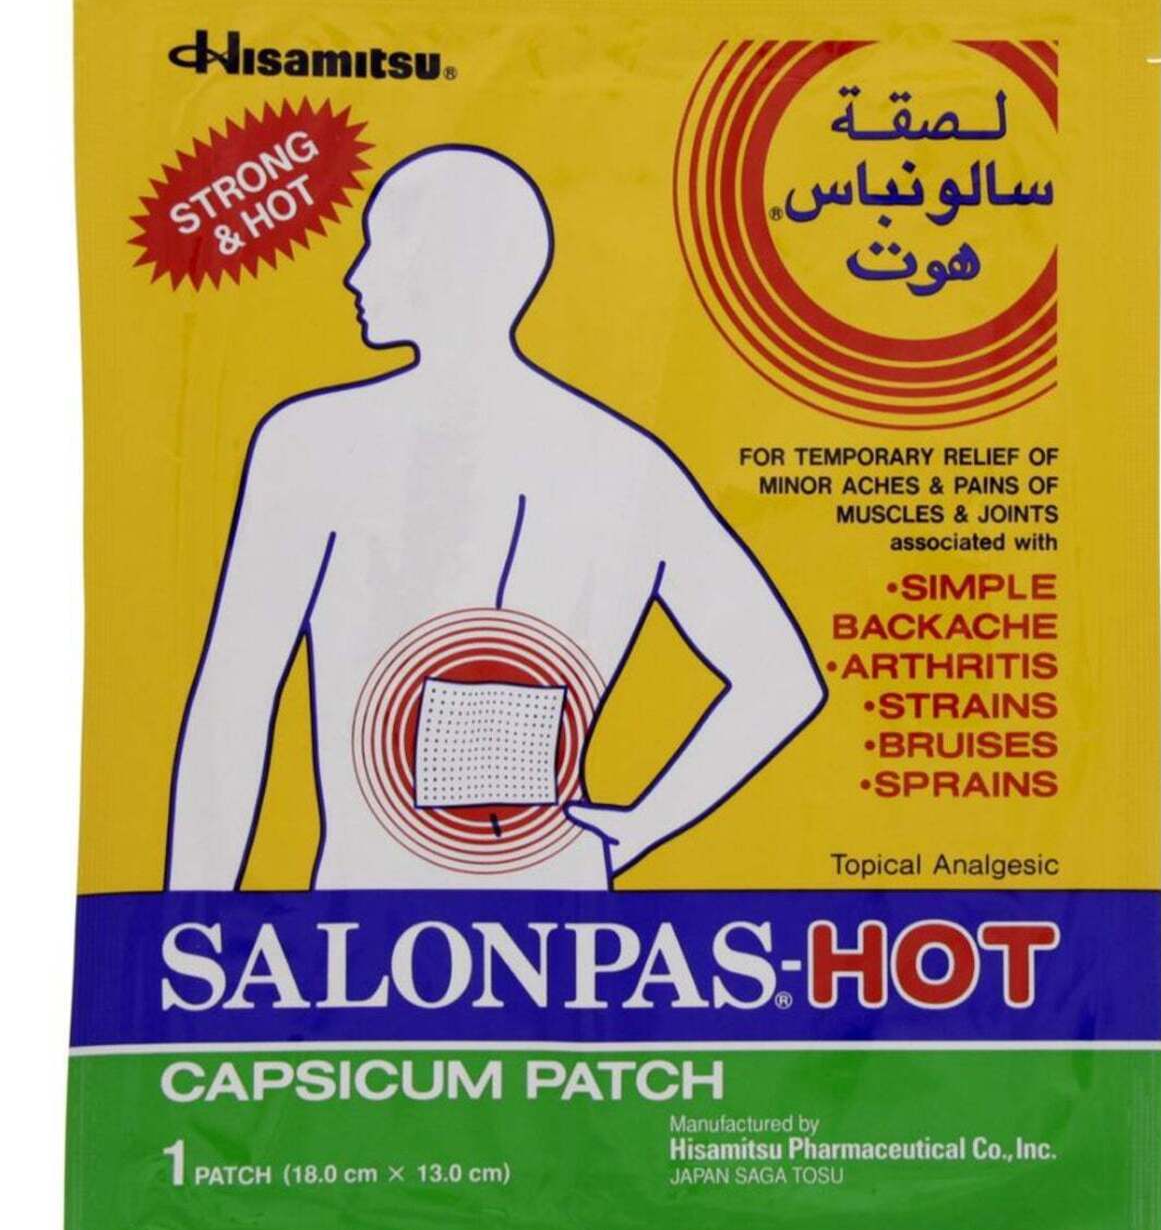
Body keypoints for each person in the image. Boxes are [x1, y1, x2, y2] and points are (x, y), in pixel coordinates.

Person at [166, 146, 826, 891]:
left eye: (383, 244)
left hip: (373, 917)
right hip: (562, 914)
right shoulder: (630, 463)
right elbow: (781, 680)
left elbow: (236, 699)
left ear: (451, 269)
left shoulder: (313, 443)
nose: (356, 274)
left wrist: (190, 927)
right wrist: (642, 825)